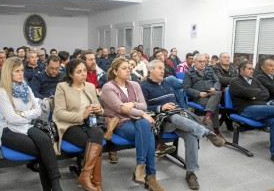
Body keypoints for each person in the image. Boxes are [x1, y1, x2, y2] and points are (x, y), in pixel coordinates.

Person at [141, 60, 225, 190]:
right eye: (159, 68)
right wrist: (161, 107)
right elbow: (143, 107)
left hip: (178, 116)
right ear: (150, 69)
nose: (163, 71)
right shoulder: (143, 86)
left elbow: (176, 101)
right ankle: (207, 133)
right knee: (174, 117)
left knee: (191, 135)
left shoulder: (167, 84)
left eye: (163, 68)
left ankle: (190, 173)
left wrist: (179, 108)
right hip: (161, 120)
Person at [0, 57, 63, 191]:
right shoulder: (3, 92)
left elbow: (38, 109)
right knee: (43, 150)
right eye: (17, 71)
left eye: (22, 70)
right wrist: (28, 113)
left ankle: (55, 185)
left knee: (45, 141)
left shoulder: (26, 87)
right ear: (8, 73)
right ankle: (53, 187)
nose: (21, 74)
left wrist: (21, 114)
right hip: (9, 130)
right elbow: (12, 119)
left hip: (28, 126)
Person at [101, 58, 165, 191]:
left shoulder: (135, 85)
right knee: (148, 133)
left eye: (129, 67)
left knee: (144, 125)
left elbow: (144, 105)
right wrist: (141, 113)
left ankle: (141, 168)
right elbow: (120, 109)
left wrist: (133, 104)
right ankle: (150, 175)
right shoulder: (108, 87)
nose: (128, 70)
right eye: (124, 68)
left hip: (136, 121)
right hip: (119, 122)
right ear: (115, 71)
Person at [53, 58, 104, 190]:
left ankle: (86, 176)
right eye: (79, 72)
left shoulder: (90, 86)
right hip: (69, 125)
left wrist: (99, 109)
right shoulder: (62, 87)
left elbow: (99, 107)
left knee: (98, 134)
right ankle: (96, 183)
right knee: (95, 143)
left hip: (89, 122)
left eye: (84, 71)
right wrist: (81, 115)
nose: (83, 74)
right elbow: (59, 113)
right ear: (70, 74)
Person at [229, 61, 274, 167]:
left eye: (252, 69)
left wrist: (253, 95)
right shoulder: (235, 82)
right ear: (242, 70)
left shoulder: (254, 80)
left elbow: (266, 93)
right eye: (249, 69)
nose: (252, 70)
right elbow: (248, 92)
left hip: (259, 108)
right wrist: (254, 94)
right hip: (245, 109)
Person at [183, 53, 224, 139]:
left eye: (204, 61)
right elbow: (186, 88)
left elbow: (217, 81)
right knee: (215, 105)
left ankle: (207, 116)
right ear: (194, 62)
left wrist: (215, 88)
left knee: (218, 93)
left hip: (212, 94)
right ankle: (216, 131)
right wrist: (199, 93)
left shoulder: (209, 70)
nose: (202, 63)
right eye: (200, 61)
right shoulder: (189, 73)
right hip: (200, 97)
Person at [213, 52, 237, 131]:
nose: (227, 59)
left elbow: (238, 80)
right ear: (219, 60)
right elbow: (221, 80)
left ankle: (224, 117)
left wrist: (231, 82)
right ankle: (228, 120)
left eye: (228, 57)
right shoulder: (216, 68)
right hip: (219, 91)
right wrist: (233, 81)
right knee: (229, 96)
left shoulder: (232, 68)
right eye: (224, 57)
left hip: (231, 90)